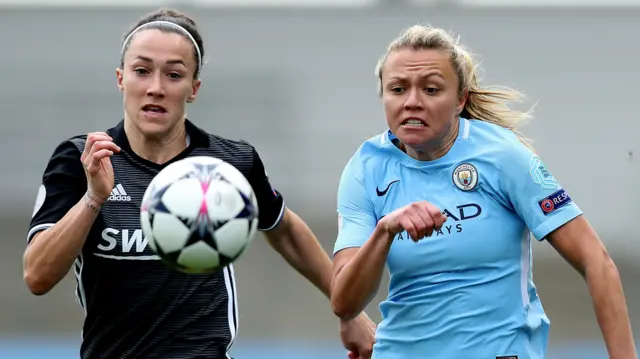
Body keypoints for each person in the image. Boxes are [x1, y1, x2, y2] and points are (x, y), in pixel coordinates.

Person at [23, 8, 375, 359]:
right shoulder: (82, 159)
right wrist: (93, 198)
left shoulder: (228, 164)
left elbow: (283, 228)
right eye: (142, 71)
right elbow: (37, 276)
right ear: (120, 79)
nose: (156, 88)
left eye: (174, 75)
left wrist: (348, 307)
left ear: (193, 88)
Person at [330, 24, 637, 359]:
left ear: (460, 99)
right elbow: (344, 303)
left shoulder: (502, 155)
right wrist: (385, 230)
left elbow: (597, 262)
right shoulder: (365, 168)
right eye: (398, 89)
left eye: (431, 90)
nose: (412, 102)